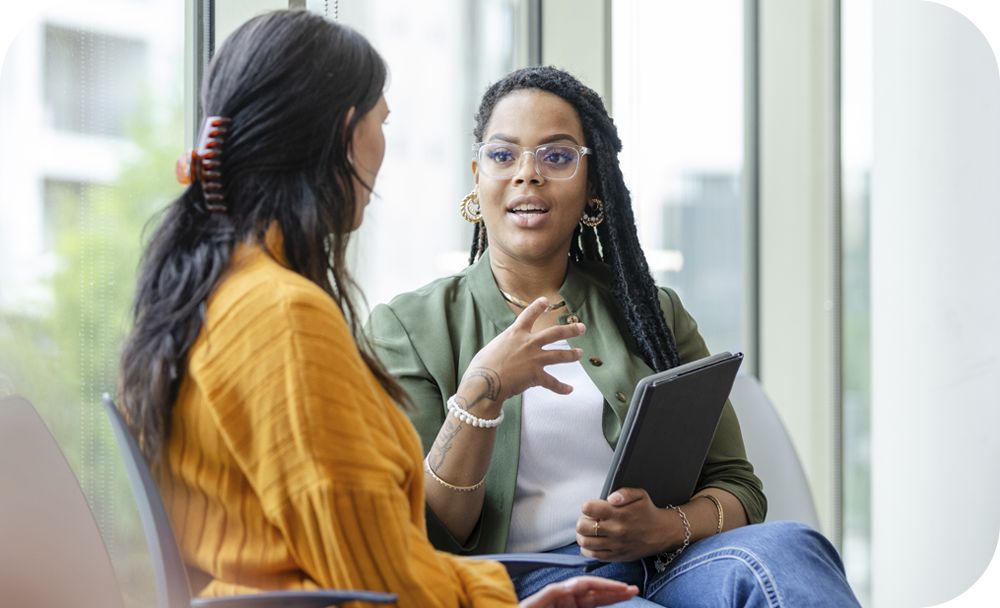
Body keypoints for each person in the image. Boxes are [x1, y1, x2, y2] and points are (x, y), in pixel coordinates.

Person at [116, 11, 639, 608]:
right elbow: (376, 575)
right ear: (348, 134)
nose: (527, 177)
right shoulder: (282, 318)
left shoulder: (219, 290)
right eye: (382, 121)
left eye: (555, 157)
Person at [366, 66, 861, 606]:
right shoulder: (408, 328)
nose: (527, 174)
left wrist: (664, 527)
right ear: (476, 177)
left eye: (556, 157)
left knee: (792, 547)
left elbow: (738, 487)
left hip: (670, 563)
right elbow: (429, 533)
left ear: (592, 183)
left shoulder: (652, 313)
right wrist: (483, 390)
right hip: (523, 579)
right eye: (503, 155)